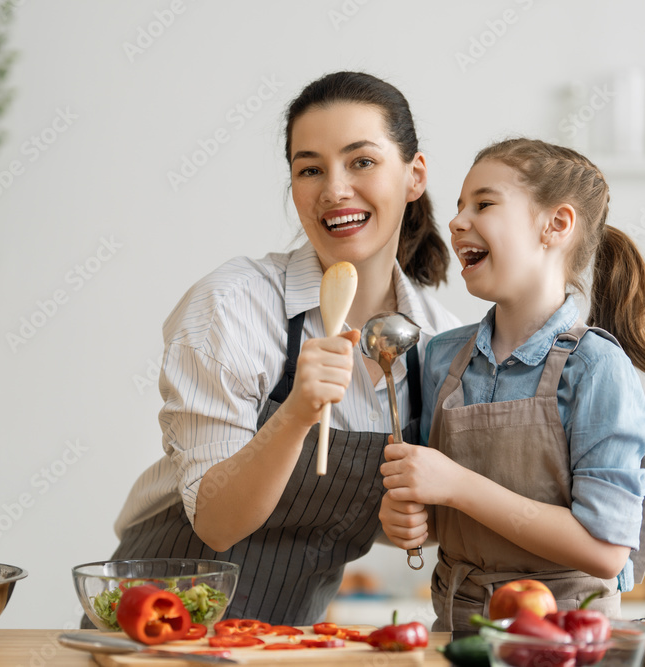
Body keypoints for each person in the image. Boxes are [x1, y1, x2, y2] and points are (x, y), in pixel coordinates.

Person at [106, 71, 461, 625]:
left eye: (361, 161)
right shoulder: (232, 307)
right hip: (155, 629)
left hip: (287, 642)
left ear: (415, 176)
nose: (334, 189)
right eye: (310, 168)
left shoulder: (442, 347)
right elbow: (217, 523)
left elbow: (386, 519)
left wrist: (418, 520)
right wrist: (296, 412)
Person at [378, 138, 645, 633]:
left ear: (555, 225)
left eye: (484, 203)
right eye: (458, 207)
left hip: (566, 641)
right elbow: (442, 512)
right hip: (455, 635)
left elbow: (604, 550)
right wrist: (409, 520)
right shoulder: (441, 356)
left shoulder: (596, 367)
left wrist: (455, 484)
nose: (456, 222)